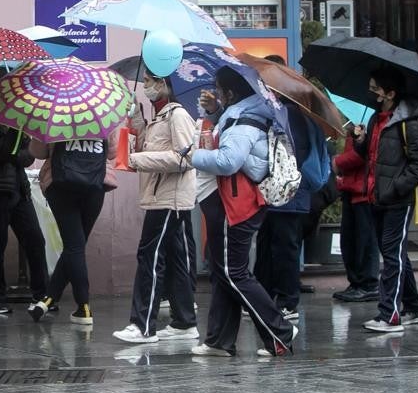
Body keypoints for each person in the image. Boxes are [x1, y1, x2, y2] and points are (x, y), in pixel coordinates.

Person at [190, 67, 297, 358]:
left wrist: (191, 156)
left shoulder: (243, 122)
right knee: (223, 271)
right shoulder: (240, 116)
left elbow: (228, 161)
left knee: (233, 273)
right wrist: (214, 113)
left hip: (235, 204)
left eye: (219, 90)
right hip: (233, 202)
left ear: (231, 93)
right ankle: (219, 340)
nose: (216, 94)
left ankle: (280, 332)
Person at [337, 68, 418, 333]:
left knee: (391, 256)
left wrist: (395, 188)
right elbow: (370, 154)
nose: (372, 93)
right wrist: (360, 141)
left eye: (375, 88)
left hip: (397, 201)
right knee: (395, 254)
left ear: (390, 93)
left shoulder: (409, 124)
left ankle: (389, 315)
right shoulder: (375, 121)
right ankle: (413, 307)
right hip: (375, 197)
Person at [112, 69, 200, 343]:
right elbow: (150, 142)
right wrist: (135, 116)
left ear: (164, 84)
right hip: (160, 197)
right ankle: (185, 322)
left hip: (168, 199)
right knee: (174, 261)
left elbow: (185, 158)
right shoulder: (160, 117)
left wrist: (137, 159)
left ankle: (143, 325)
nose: (146, 86)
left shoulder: (178, 115)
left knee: (150, 258)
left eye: (150, 81)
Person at [0, 67, 47, 316]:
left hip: (19, 186)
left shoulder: (17, 117)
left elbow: (27, 156)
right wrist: (16, 141)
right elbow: (6, 150)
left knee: (35, 239)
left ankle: (42, 296)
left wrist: (16, 150)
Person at [27, 126, 115, 326]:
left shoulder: (52, 113)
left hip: (62, 184)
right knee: (75, 246)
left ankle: (84, 307)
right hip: (94, 185)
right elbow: (112, 152)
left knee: (74, 246)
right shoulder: (102, 113)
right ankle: (49, 299)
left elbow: (37, 152)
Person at [252, 96, 315, 321]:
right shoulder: (277, 113)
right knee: (267, 246)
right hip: (273, 194)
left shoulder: (290, 115)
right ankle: (265, 298)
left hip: (289, 193)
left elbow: (291, 154)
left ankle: (288, 302)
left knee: (284, 248)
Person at [332, 127, 379, 303]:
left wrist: (338, 162)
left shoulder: (370, 124)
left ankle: (368, 284)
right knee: (351, 241)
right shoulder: (359, 125)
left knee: (364, 242)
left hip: (363, 191)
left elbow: (362, 154)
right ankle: (357, 283)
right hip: (352, 189)